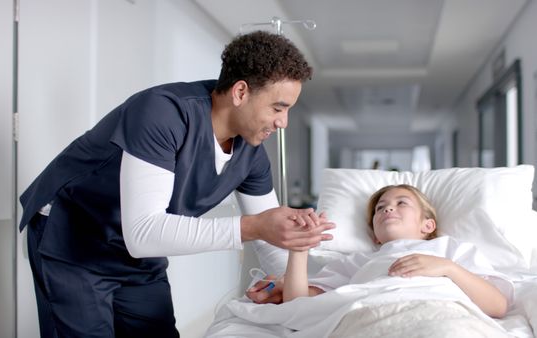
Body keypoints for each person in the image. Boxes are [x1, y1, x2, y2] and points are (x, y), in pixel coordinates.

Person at [18, 31, 335, 338]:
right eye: (278, 108)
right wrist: (252, 227)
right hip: (73, 237)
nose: (283, 123)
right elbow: (144, 232)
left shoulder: (251, 154)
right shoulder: (163, 112)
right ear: (240, 93)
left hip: (137, 254)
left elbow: (270, 237)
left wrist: (288, 278)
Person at [250, 184, 509, 322]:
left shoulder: (449, 250)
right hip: (373, 317)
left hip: (443, 316)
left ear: (427, 225)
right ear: (374, 235)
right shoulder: (360, 261)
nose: (387, 209)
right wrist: (299, 250)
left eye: (401, 203)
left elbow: (497, 306)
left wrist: (447, 268)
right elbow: (299, 306)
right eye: (380, 208)